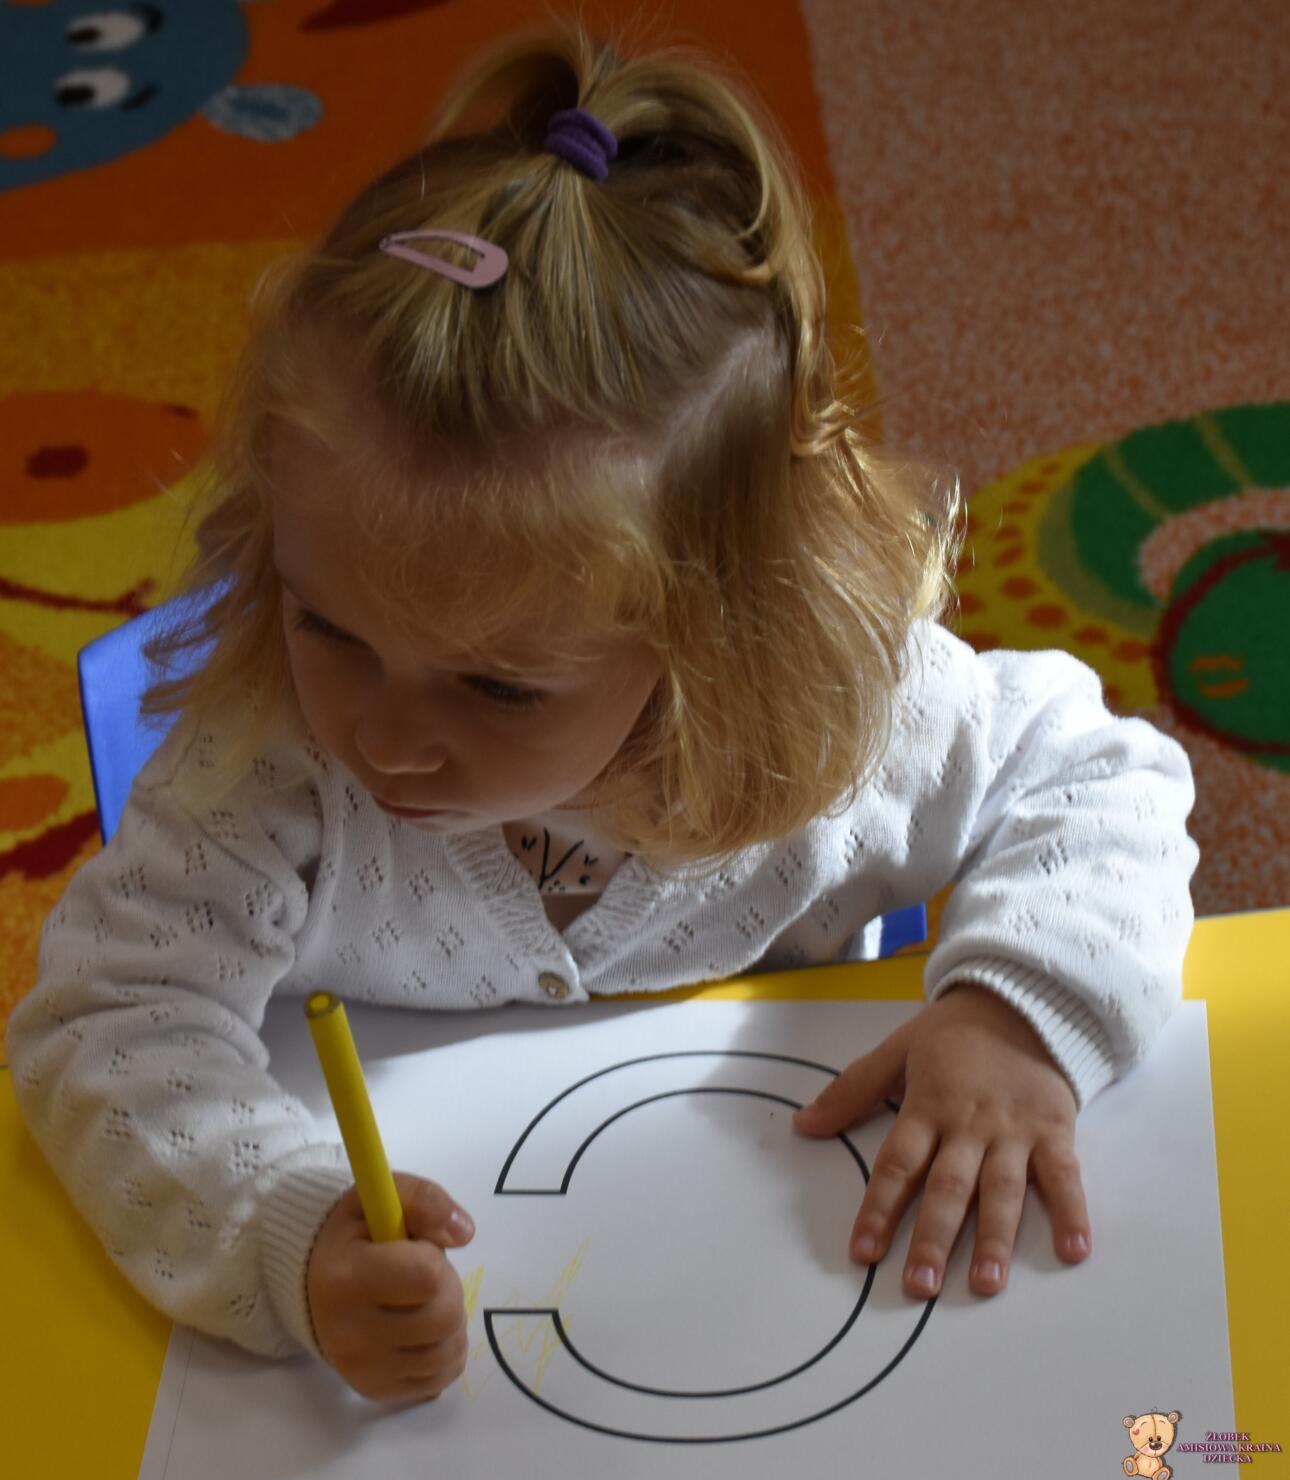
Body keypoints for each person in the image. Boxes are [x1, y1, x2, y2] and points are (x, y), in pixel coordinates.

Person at [6, 16, 1197, 1407]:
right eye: (327, 624)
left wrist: (1016, 1017)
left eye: (497, 687)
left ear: (718, 632)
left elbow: (1098, 779)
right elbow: (107, 1017)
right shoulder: (268, 772)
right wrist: (282, 1228)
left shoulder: (849, 733)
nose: (384, 739)